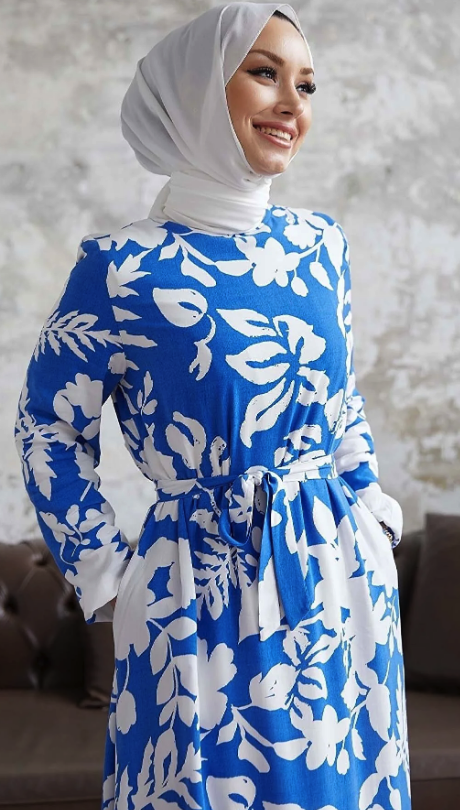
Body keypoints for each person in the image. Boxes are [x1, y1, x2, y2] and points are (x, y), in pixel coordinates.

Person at [14, 3, 411, 809]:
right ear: (195, 88)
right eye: (264, 73)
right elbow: (47, 426)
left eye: (306, 84)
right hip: (193, 590)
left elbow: (339, 398)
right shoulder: (122, 269)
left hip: (341, 581)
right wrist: (106, 576)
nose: (292, 103)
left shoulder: (321, 247)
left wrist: (370, 507)